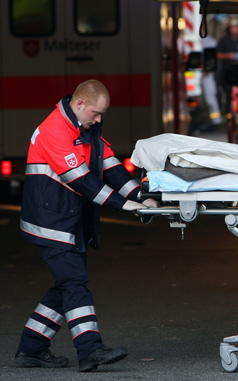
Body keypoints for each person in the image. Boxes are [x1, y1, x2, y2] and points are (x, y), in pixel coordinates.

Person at [14, 79, 159, 372]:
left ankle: (31, 347)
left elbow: (111, 167)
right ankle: (90, 349)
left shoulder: (84, 129)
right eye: (96, 113)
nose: (99, 119)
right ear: (79, 105)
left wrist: (141, 197)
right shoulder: (54, 130)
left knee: (65, 286)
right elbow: (80, 179)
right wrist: (123, 205)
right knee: (74, 283)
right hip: (50, 222)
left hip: (64, 220)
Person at [215, 16, 238, 115]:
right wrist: (229, 56)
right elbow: (217, 55)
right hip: (227, 74)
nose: (234, 29)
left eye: (236, 27)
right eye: (232, 27)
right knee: (228, 94)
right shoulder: (224, 40)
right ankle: (228, 114)